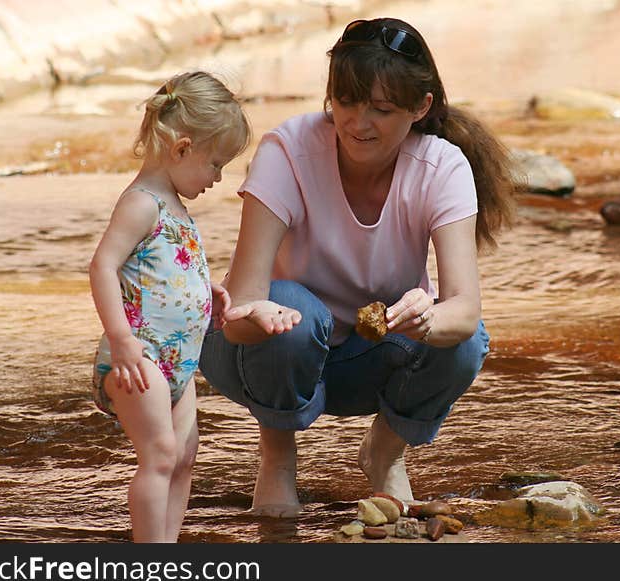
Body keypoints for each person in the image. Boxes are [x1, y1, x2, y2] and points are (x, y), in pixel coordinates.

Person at [200, 17, 515, 517]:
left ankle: (385, 454)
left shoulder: (442, 167)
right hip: (263, 355)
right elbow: (238, 314)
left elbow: (466, 310)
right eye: (345, 101)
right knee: (291, 310)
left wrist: (427, 318)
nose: (357, 122)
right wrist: (259, 318)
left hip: (368, 358)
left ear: (420, 107)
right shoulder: (290, 150)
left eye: (381, 109)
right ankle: (277, 460)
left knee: (464, 343)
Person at [89, 71, 287, 542]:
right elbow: (102, 267)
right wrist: (121, 341)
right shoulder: (141, 204)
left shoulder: (174, 205)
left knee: (184, 453)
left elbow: (165, 270)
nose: (218, 179)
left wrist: (207, 293)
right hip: (141, 357)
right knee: (159, 454)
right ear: (180, 149)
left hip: (178, 362)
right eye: (216, 164)